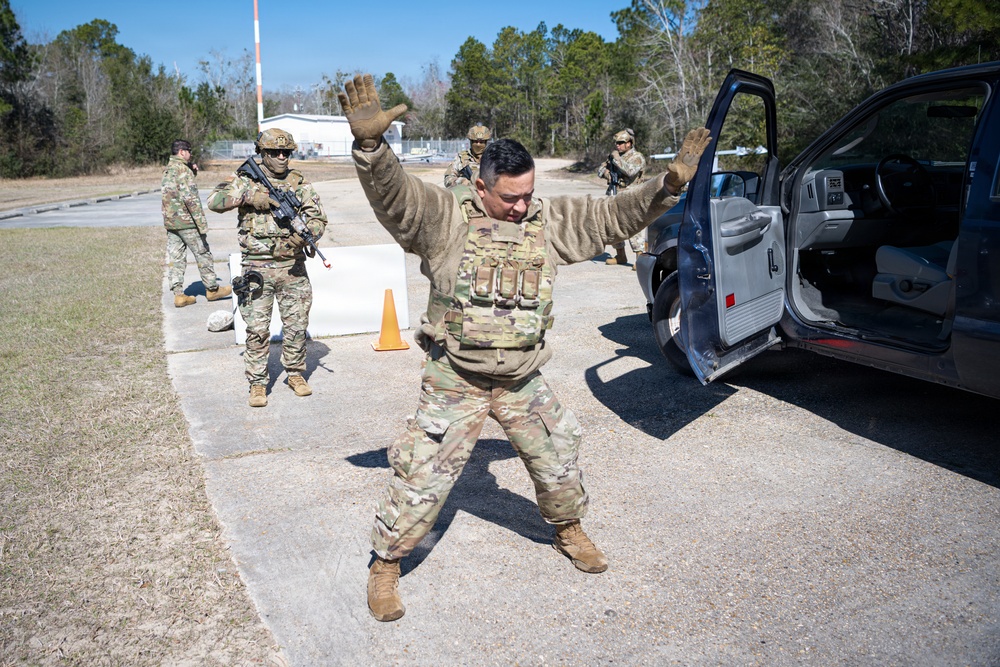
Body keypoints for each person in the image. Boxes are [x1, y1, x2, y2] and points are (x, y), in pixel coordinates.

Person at [337, 73, 711, 622]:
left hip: (521, 378)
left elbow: (611, 217)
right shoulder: (444, 219)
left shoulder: (547, 222)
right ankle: (386, 564)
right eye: (509, 198)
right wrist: (371, 148)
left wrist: (666, 187)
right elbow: (396, 198)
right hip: (455, 378)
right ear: (482, 186)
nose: (519, 207)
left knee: (557, 457)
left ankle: (568, 528)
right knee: (421, 473)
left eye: (527, 195)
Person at [207, 129, 328, 408]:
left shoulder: (299, 183)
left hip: (292, 269)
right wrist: (251, 196)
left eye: (287, 152)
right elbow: (214, 201)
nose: (282, 157)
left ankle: (295, 374)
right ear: (262, 153)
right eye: (275, 152)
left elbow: (319, 218)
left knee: (297, 326)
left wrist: (307, 233)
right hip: (257, 269)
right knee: (257, 330)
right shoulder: (245, 180)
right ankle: (258, 382)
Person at [161, 139, 232, 307]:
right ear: (182, 152)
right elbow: (190, 199)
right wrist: (201, 224)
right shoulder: (183, 171)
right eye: (189, 151)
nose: (190, 154)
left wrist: (192, 171)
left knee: (176, 258)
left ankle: (178, 295)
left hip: (172, 222)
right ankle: (212, 289)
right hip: (187, 222)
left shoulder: (169, 169)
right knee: (203, 254)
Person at [597, 129, 647, 268]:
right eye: (617, 143)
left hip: (632, 196)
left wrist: (617, 159)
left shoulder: (637, 157)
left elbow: (630, 171)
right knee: (613, 226)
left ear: (630, 143)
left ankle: (640, 257)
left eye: (621, 143)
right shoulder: (614, 156)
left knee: (633, 226)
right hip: (614, 195)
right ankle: (620, 254)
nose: (618, 146)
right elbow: (600, 169)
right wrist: (607, 173)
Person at [444, 123, 491, 188]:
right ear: (471, 142)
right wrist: (462, 181)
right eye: (475, 141)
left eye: (481, 142)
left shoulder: (492, 158)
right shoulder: (461, 158)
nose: (478, 144)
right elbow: (448, 179)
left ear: (486, 142)